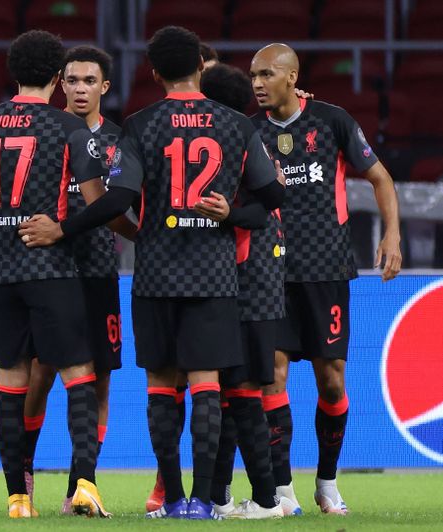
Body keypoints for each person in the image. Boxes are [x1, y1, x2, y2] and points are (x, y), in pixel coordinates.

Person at [18, 25, 285, 520]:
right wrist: (230, 214)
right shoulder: (236, 125)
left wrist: (63, 228)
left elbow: (117, 200)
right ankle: (204, 501)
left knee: (162, 388)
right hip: (214, 276)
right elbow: (273, 198)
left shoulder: (140, 125)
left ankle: (173, 499)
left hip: (157, 274)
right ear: (200, 67)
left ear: (155, 72)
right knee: (206, 385)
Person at [0, 30, 116, 519]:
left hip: (0, 272)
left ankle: (18, 500)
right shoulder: (68, 126)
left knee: (10, 383)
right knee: (79, 375)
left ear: (14, 71)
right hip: (52, 268)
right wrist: (58, 230)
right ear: (56, 76)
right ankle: (83, 485)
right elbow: (97, 204)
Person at [249, 42, 402, 515]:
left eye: (267, 74)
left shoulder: (333, 121)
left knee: (331, 381)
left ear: (292, 77)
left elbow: (380, 178)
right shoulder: (249, 131)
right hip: (269, 272)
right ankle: (282, 491)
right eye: (253, 75)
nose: (257, 83)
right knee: (272, 377)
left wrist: (392, 234)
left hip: (325, 270)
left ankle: (327, 482)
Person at [21, 45, 127, 515]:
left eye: (89, 81)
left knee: (98, 380)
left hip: (100, 271)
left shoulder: (119, 143)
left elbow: (121, 206)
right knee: (40, 374)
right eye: (72, 80)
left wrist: (145, 237)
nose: (80, 89)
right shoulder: (44, 131)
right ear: (59, 83)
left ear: (104, 87)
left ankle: (81, 485)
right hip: (49, 271)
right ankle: (23, 471)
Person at [195, 62, 285, 519]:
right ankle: (223, 496)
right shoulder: (242, 142)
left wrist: (228, 215)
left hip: (244, 283)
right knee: (232, 396)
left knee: (240, 395)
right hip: (245, 283)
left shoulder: (238, 145)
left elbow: (261, 213)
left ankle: (265, 499)